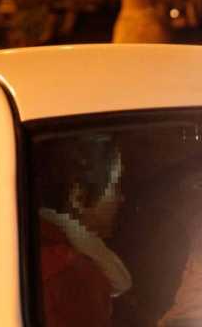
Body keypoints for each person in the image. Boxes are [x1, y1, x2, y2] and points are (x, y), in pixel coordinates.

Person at [34, 134, 132, 327]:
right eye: (115, 186)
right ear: (78, 196)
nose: (121, 198)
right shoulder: (74, 275)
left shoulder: (28, 243)